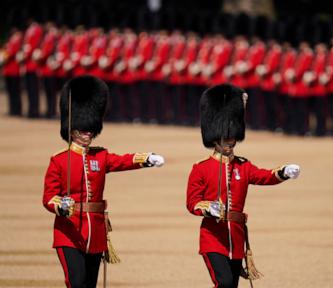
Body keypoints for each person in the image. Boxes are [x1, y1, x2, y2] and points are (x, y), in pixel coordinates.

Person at [42, 75, 165, 288]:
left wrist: (146, 158)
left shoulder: (100, 156)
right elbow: (48, 197)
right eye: (82, 129)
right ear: (71, 130)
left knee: (89, 284)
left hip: (96, 231)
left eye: (90, 129)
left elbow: (123, 161)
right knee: (76, 282)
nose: (87, 133)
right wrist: (59, 205)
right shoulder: (60, 160)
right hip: (69, 231)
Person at [186, 83, 300, 288]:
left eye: (233, 138)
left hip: (236, 238)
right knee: (224, 283)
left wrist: (283, 173)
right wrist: (208, 207)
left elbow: (264, 176)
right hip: (213, 238)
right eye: (226, 138)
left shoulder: (243, 165)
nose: (231, 142)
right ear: (215, 138)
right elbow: (192, 202)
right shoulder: (201, 168)